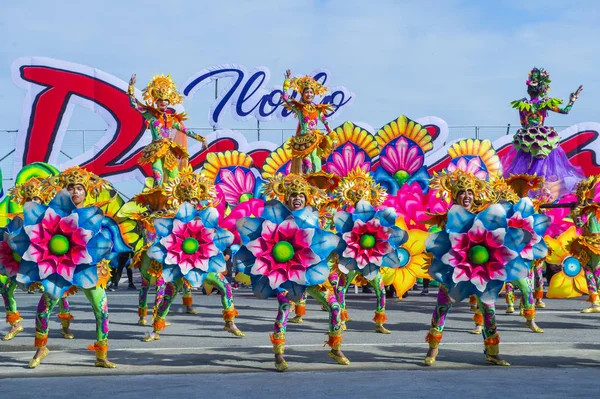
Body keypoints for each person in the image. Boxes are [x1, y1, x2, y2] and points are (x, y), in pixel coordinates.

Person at [14, 166, 129, 368]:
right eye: (71, 187)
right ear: (65, 191)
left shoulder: (94, 217)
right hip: (57, 271)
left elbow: (106, 245)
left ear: (86, 192)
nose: (75, 191)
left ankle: (101, 355)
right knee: (43, 309)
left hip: (87, 270)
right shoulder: (54, 211)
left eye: (79, 188)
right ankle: (41, 348)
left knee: (101, 310)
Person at [237, 174, 348, 371]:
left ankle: (335, 348)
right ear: (287, 199)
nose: (298, 198)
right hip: (284, 276)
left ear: (307, 199)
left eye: (302, 195)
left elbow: (324, 244)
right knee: (284, 310)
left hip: (311, 273)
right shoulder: (275, 218)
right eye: (294, 195)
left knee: (335, 307)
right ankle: (279, 354)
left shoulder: (312, 218)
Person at [425, 170, 511, 366]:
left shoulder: (482, 217)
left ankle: (492, 352)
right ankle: (432, 350)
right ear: (455, 196)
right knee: (442, 308)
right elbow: (440, 244)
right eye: (462, 192)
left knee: (488, 310)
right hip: (454, 271)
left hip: (481, 271)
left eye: (470, 192)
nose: (466, 196)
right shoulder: (448, 217)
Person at [502, 67, 584, 198]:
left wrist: (572, 100)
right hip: (532, 137)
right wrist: (572, 101)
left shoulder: (534, 103)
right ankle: (531, 191)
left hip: (532, 137)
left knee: (538, 165)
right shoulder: (526, 104)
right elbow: (565, 110)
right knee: (530, 167)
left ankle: (540, 191)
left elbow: (523, 122)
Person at [128, 74, 207, 187]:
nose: (163, 102)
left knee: (174, 179)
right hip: (155, 150)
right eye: (160, 100)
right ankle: (156, 202)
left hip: (169, 151)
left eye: (165, 100)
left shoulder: (172, 120)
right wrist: (131, 86)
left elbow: (185, 130)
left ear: (169, 102)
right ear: (156, 101)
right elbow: (133, 104)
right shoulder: (151, 116)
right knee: (158, 178)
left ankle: (174, 202)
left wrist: (201, 139)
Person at [281, 70, 335, 174]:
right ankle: (308, 185)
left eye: (311, 92)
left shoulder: (317, 109)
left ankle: (318, 185)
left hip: (315, 140)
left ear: (314, 94)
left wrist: (334, 139)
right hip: (303, 141)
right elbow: (285, 98)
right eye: (306, 92)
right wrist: (286, 82)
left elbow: (326, 124)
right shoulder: (300, 108)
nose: (309, 94)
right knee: (308, 165)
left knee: (317, 162)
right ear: (302, 94)